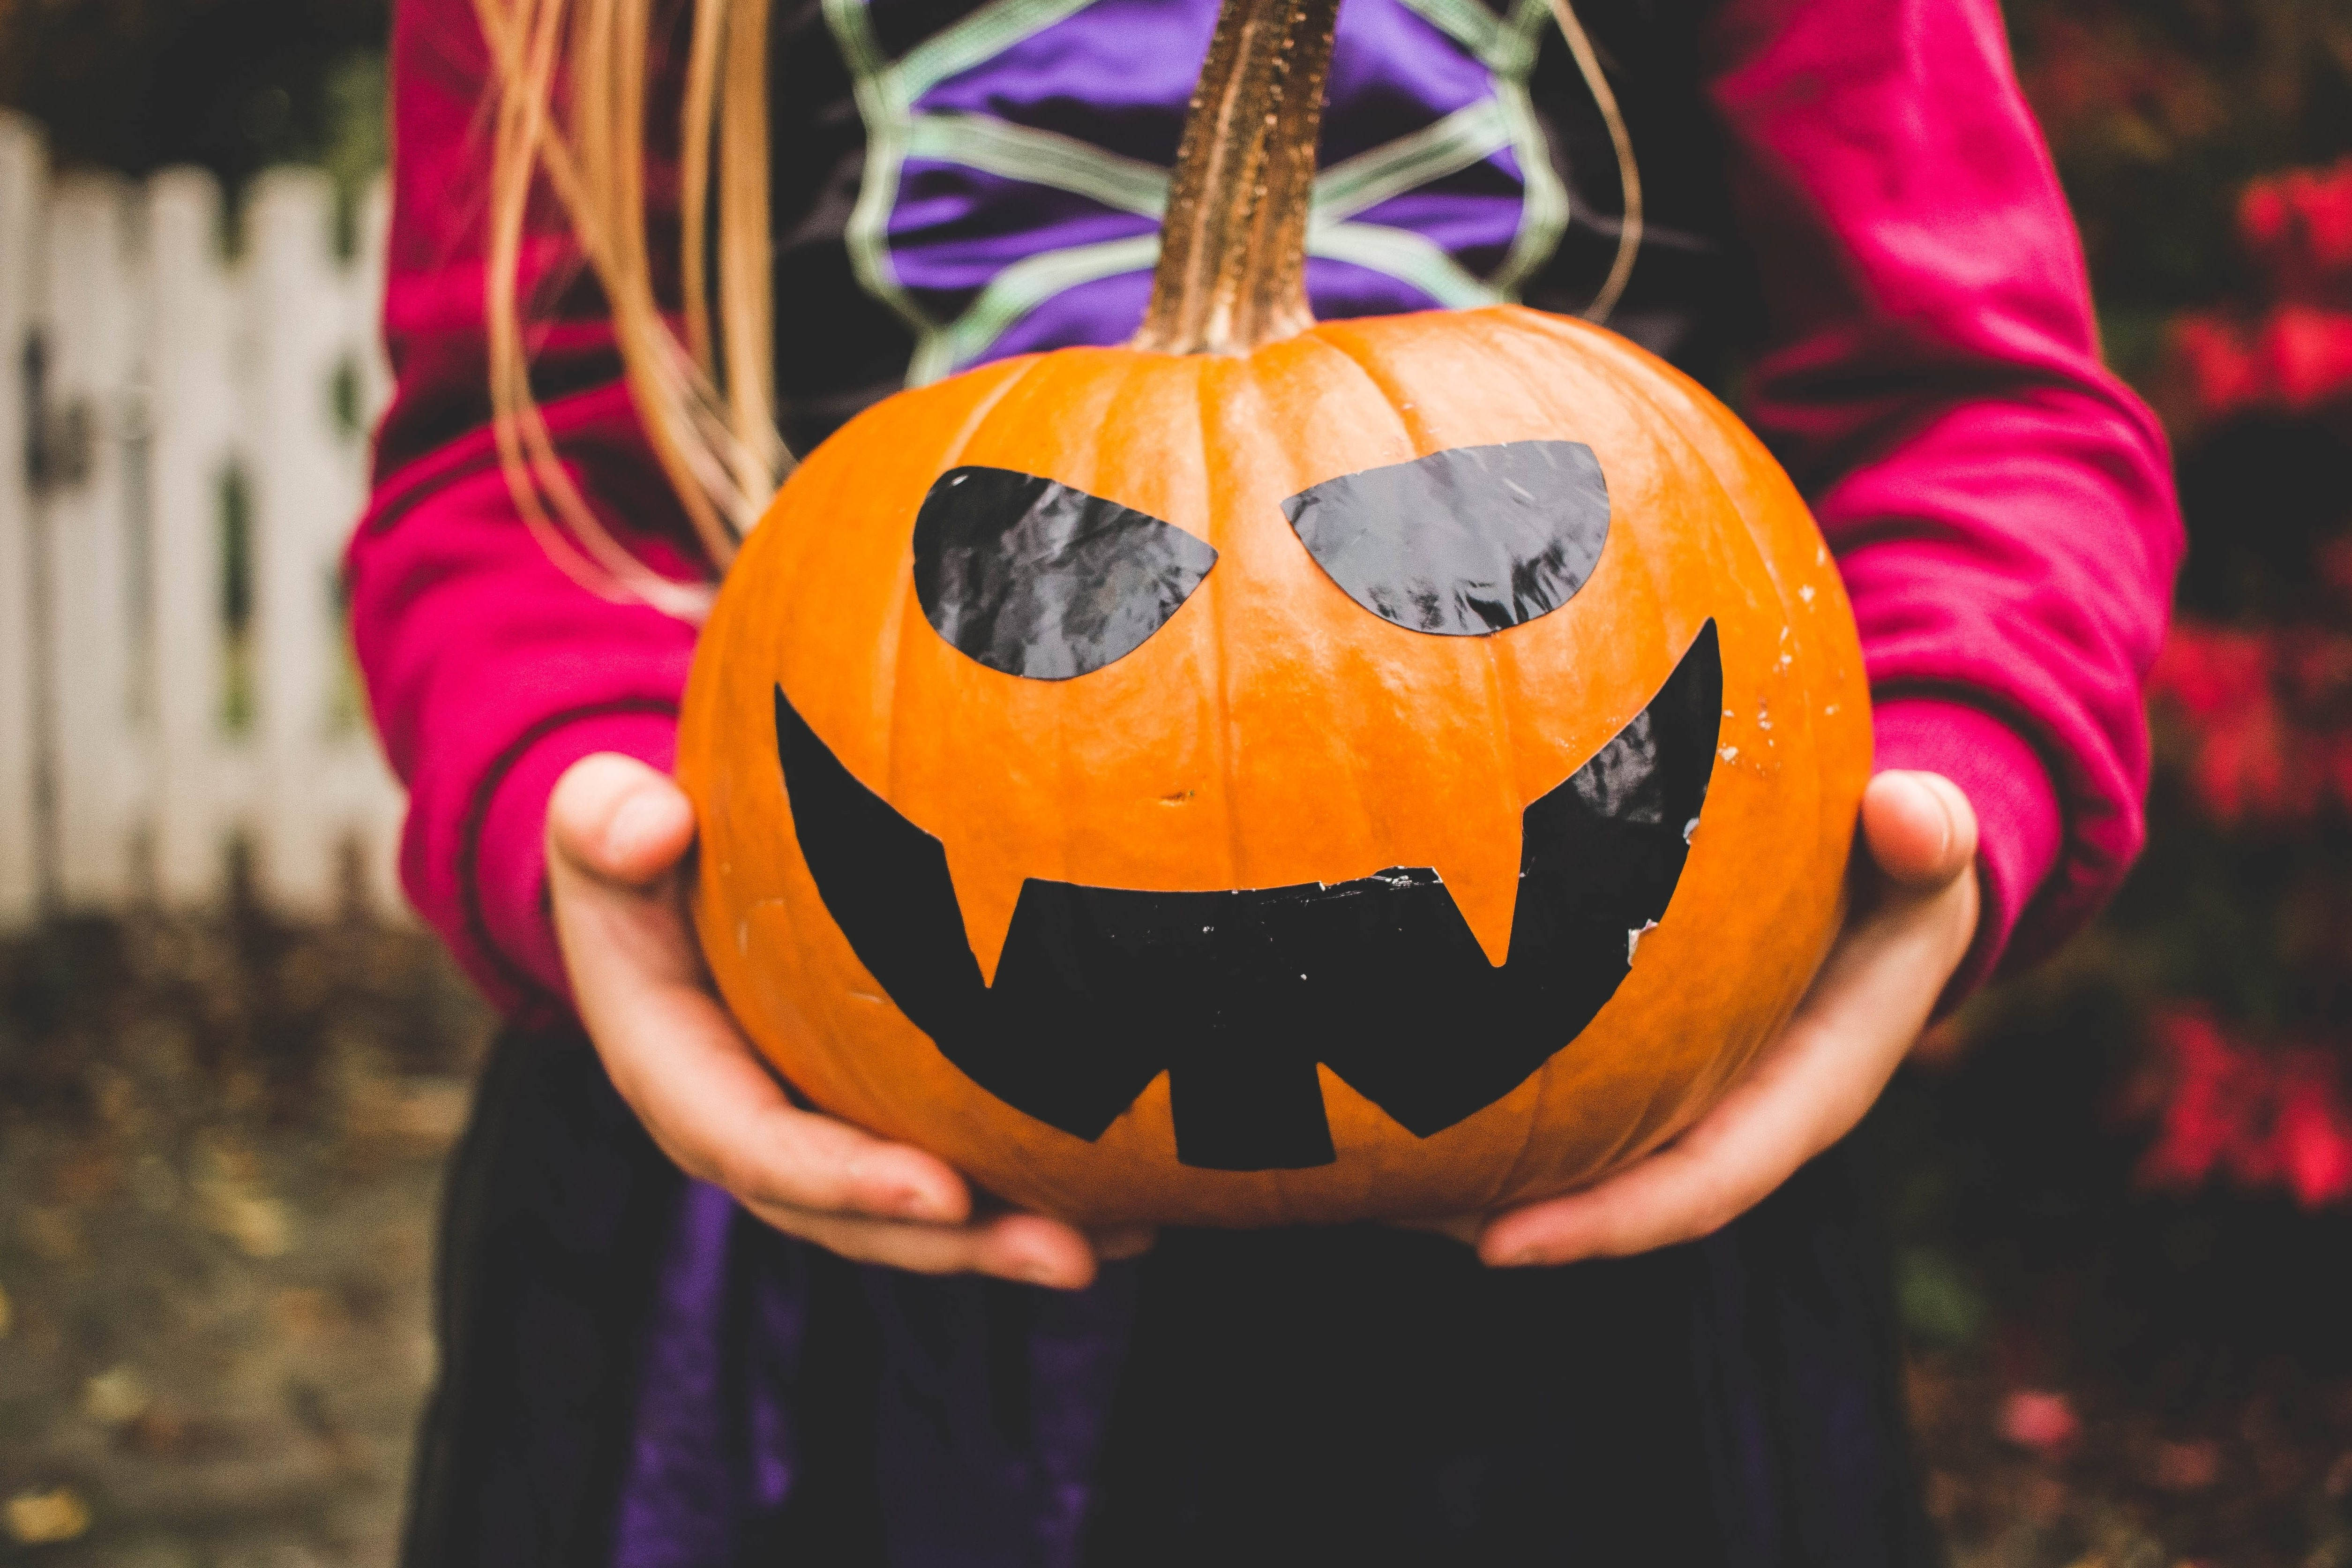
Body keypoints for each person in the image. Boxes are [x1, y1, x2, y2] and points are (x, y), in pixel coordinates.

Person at [352, 0, 2180, 1558]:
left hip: (1611, 1208)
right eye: (1036, 587)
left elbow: (1977, 405)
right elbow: (510, 460)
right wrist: (573, 810)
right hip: (801, 1202)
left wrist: (1951, 768)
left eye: (1475, 556)